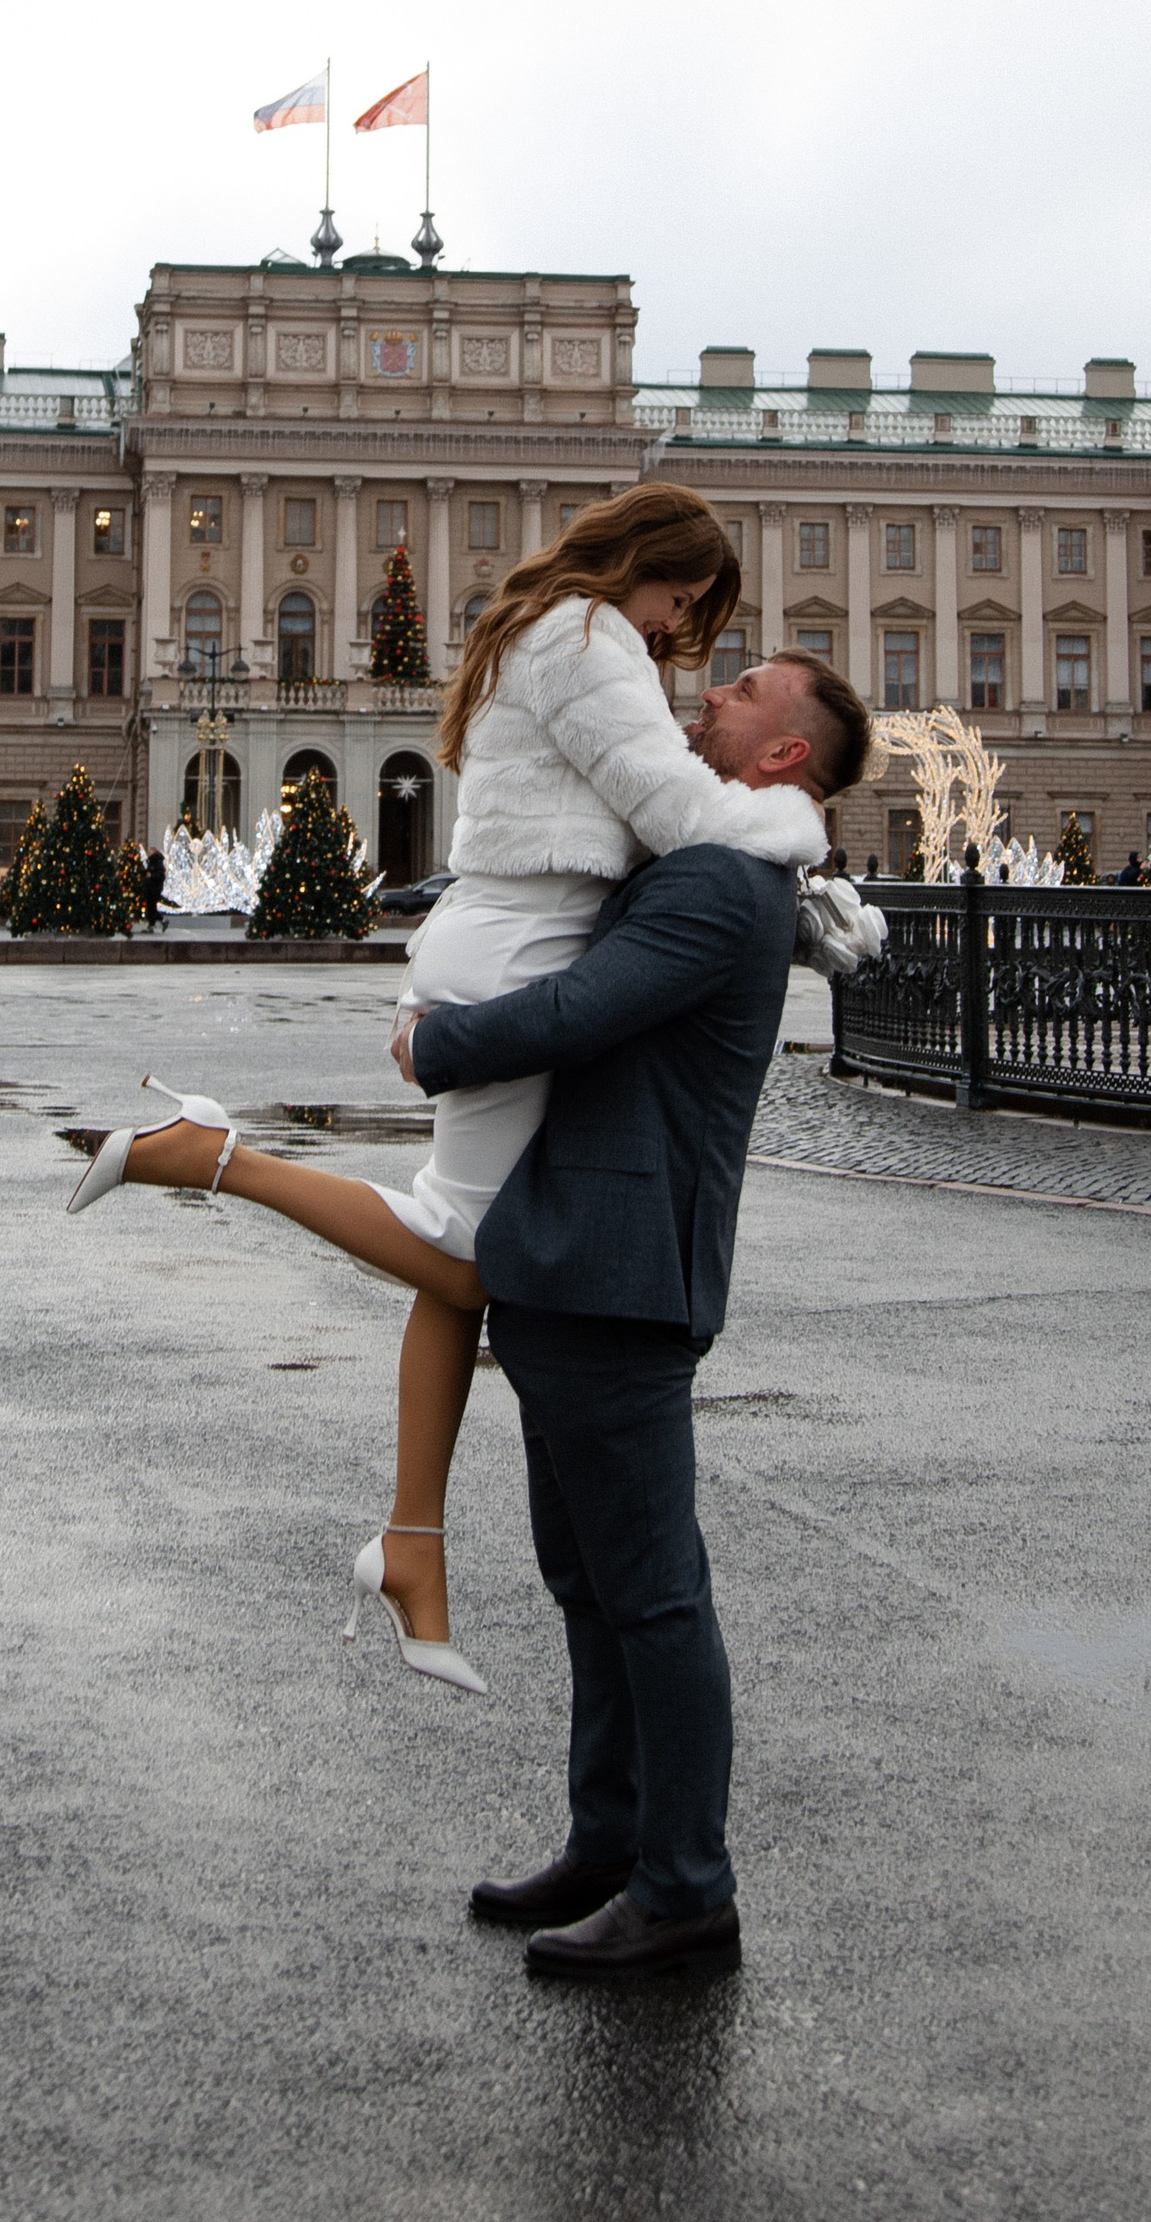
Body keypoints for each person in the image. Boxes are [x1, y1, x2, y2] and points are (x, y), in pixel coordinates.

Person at [65, 482, 829, 1688]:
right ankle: (204, 1150)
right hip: (525, 944)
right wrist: (802, 840)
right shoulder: (590, 637)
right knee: (471, 1252)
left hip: (503, 927)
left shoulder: (557, 629)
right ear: (646, 563)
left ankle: (414, 1541)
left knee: (464, 1253)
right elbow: (676, 808)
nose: (682, 638)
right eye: (682, 602)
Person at [403, 643, 871, 1977]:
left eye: (744, 693)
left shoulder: (726, 880)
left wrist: (436, 1044)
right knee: (589, 1583)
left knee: (653, 1595)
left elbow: (584, 1007)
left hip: (621, 1269)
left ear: (783, 756)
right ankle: (610, 1843)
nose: (710, 693)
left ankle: (684, 1888)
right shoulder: (698, 856)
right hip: (574, 1260)